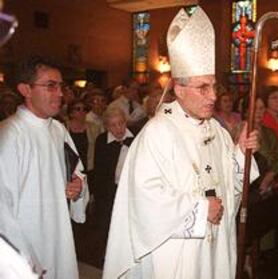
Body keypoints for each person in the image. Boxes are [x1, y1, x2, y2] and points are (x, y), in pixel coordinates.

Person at [103, 7, 259, 279]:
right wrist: (199, 211)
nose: (212, 96)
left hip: (215, 249)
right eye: (203, 88)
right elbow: (145, 200)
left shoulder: (218, 131)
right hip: (177, 254)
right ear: (179, 90)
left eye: (213, 86)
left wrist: (241, 152)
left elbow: (230, 182)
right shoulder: (157, 133)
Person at [0, 56, 89, 279]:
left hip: (59, 234)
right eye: (50, 86)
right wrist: (23, 259)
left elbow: (76, 169)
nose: (60, 93)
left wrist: (78, 184)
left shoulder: (58, 130)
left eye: (60, 86)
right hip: (27, 243)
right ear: (25, 89)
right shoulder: (9, 134)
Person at [94, 107, 135, 235]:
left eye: (121, 123)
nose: (118, 128)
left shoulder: (136, 137)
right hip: (110, 192)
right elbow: (99, 172)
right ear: (107, 127)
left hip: (133, 190)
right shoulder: (102, 141)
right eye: (113, 125)